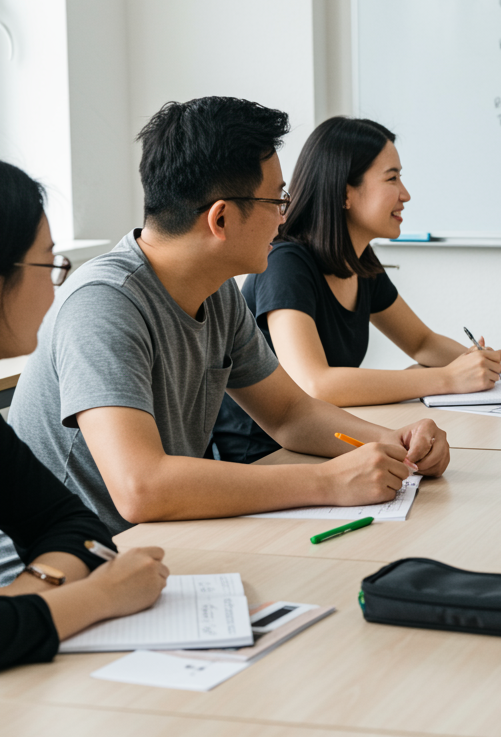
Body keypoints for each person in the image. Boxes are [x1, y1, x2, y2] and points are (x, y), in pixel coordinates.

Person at [8, 97, 450, 548]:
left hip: (157, 545)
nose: (285, 216)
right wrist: (327, 482)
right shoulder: (104, 304)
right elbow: (141, 487)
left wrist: (395, 444)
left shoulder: (215, 290)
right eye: (277, 199)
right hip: (62, 565)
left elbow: (289, 413)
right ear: (220, 218)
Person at [214, 116, 501, 463]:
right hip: (266, 456)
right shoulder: (285, 262)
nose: (406, 194)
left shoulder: (358, 259)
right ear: (344, 193)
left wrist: (474, 362)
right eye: (392, 178)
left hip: (322, 444)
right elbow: (315, 383)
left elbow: (421, 342)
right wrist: (447, 379)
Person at [0, 162, 168, 669]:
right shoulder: (103, 299)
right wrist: (97, 598)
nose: (55, 290)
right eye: (47, 264)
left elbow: (72, 523)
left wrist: (32, 600)